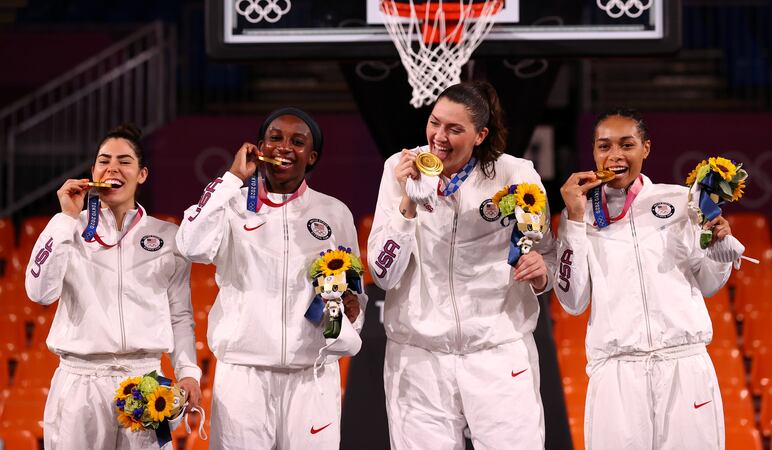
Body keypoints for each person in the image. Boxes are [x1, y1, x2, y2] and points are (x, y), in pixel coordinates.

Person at [367, 81, 555, 449]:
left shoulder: (516, 175)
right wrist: (408, 203)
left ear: (480, 134)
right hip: (418, 354)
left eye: (454, 129)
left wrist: (541, 272)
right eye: (435, 123)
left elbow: (546, 254)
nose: (438, 137)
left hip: (497, 350)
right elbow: (383, 274)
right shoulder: (400, 168)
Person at [176, 107, 366, 450]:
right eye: (275, 138)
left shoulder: (334, 213)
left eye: (297, 141)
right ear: (259, 146)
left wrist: (352, 314)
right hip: (243, 377)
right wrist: (232, 177)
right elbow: (191, 245)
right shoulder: (231, 204)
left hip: (312, 378)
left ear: (312, 156)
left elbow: (354, 292)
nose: (284, 147)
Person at [556, 109, 735, 449]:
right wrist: (575, 221)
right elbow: (573, 301)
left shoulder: (680, 201)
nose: (615, 156)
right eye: (604, 146)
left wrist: (718, 245)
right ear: (593, 152)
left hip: (684, 365)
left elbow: (710, 282)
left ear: (646, 149)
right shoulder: (580, 215)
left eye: (627, 144)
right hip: (617, 371)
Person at [25, 124, 202, 449]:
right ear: (92, 172)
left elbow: (180, 315)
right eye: (104, 160)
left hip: (145, 381)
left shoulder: (168, 237)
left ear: (142, 174)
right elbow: (39, 292)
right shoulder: (67, 229)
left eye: (124, 160)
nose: (113, 168)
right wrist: (65, 219)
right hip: (81, 382)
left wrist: (188, 371)